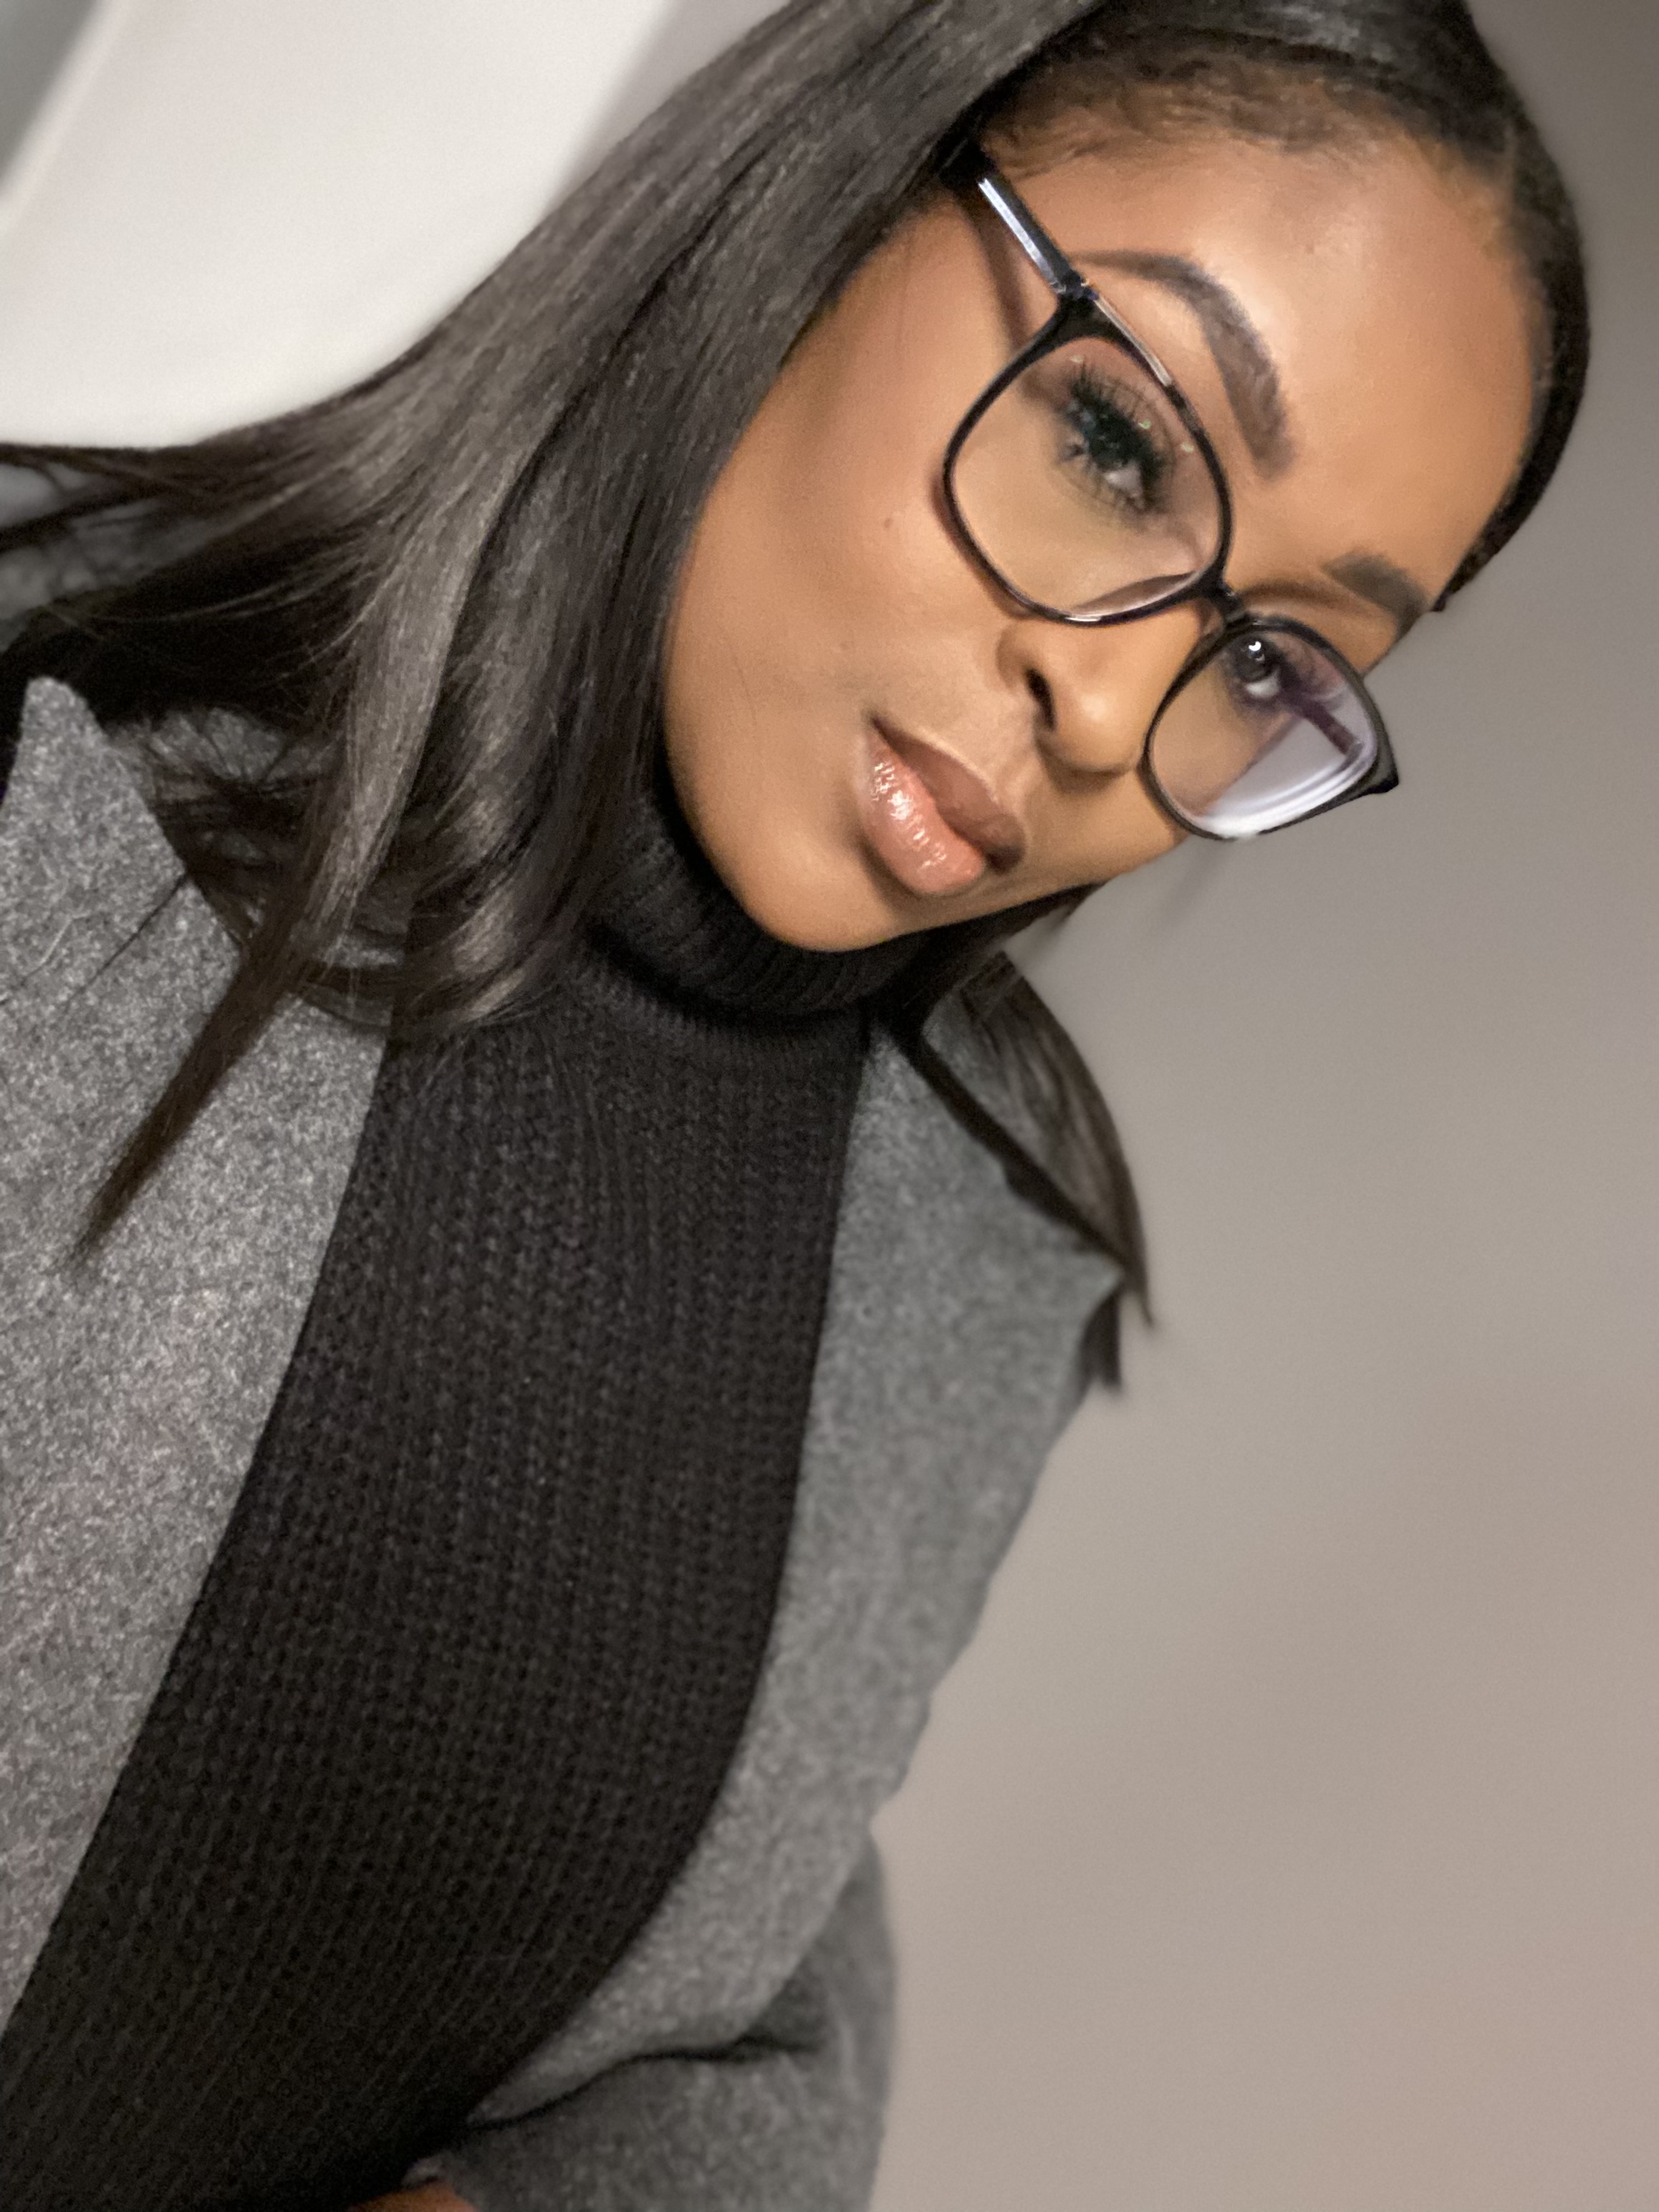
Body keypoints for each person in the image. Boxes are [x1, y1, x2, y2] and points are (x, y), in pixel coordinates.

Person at [0, 0, 1586, 2206]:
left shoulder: (960, 1269)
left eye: (1263, 662)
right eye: (1115, 442)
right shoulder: (55, 756)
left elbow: (741, 1986)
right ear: (833, 190)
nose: (1106, 706)